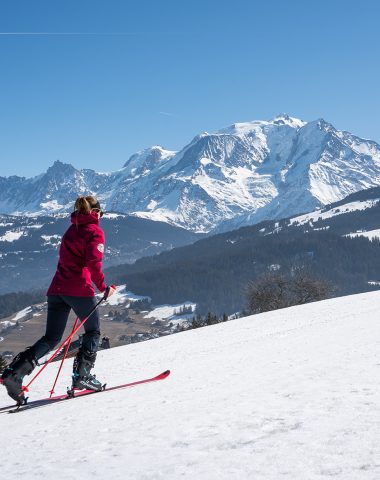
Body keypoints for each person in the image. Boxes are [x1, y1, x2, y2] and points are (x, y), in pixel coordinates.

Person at [1, 195, 115, 403]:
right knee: (93, 331)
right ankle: (83, 377)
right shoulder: (95, 231)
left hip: (57, 289)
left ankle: (14, 374)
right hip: (79, 289)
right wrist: (104, 288)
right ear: (96, 213)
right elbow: (93, 263)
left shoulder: (71, 230)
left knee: (51, 338)